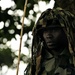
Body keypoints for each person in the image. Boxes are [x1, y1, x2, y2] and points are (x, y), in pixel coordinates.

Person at [24, 7, 75, 75]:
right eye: (45, 31)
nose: (48, 35)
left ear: (66, 31)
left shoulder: (72, 60)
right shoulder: (36, 65)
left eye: (54, 30)